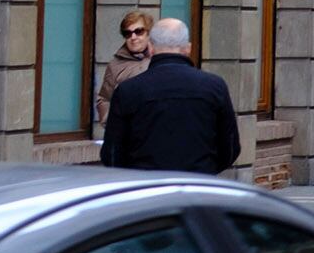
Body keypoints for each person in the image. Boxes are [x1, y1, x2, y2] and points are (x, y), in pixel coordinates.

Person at [100, 17, 239, 175]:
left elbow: (112, 154)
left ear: (151, 48)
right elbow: (230, 148)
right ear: (188, 49)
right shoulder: (215, 87)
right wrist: (206, 170)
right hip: (198, 182)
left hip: (146, 184)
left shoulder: (128, 90)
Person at [95, 10, 154, 123]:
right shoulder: (115, 65)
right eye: (128, 33)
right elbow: (104, 99)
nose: (133, 37)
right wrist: (111, 122)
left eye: (139, 31)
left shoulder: (159, 59)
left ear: (148, 33)